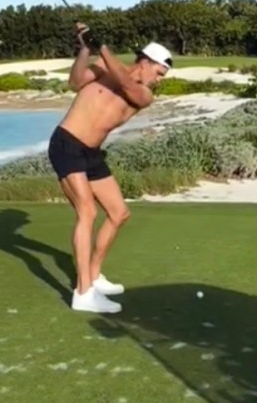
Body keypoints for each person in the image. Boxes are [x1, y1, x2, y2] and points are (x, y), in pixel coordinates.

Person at [47, 24, 173, 314]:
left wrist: (102, 46)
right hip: (67, 143)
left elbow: (127, 85)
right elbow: (75, 81)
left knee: (119, 213)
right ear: (146, 62)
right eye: (159, 72)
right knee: (87, 212)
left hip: (91, 152)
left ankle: (93, 274)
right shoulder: (103, 67)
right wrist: (86, 49)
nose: (159, 80)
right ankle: (83, 293)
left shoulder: (144, 95)